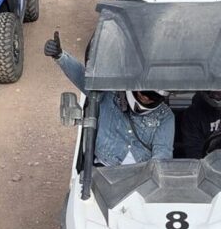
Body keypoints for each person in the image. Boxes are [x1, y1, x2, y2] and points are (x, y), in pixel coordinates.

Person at [45, 32, 174, 165]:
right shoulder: (110, 93)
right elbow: (84, 79)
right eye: (144, 92)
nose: (146, 98)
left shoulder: (165, 117)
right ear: (134, 84)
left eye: (153, 96)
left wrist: (150, 176)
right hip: (103, 170)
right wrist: (60, 56)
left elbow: (162, 155)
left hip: (142, 177)